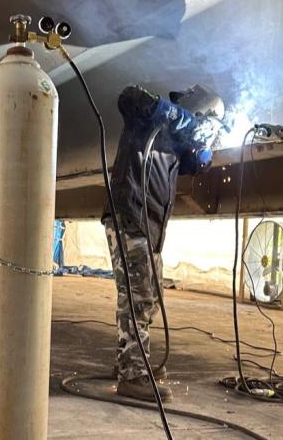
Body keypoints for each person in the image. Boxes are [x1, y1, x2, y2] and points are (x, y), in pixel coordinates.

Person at [103, 84, 225, 402]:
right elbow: (128, 96)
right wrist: (190, 123)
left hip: (150, 227)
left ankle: (133, 360)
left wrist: (206, 146)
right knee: (138, 299)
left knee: (149, 298)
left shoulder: (174, 145)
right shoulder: (146, 120)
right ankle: (132, 375)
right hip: (129, 216)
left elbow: (194, 162)